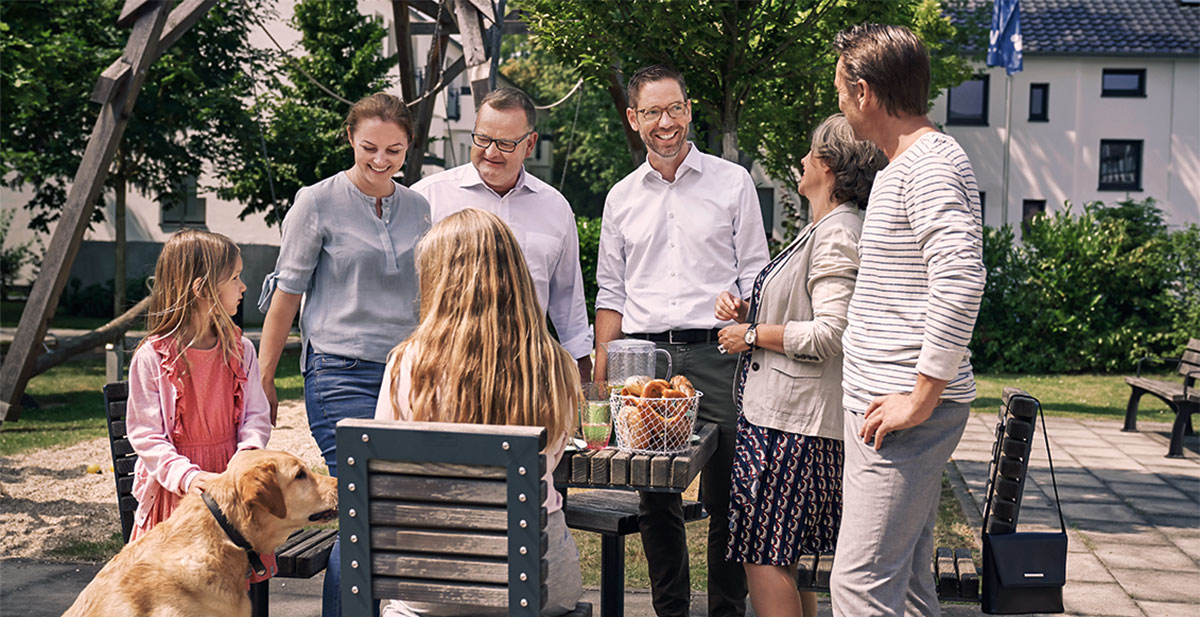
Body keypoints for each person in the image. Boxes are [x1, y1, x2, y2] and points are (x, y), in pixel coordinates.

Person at [594, 64, 769, 617]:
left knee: (725, 497)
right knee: (657, 496)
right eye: (651, 112)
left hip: (720, 354)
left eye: (674, 109)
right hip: (645, 357)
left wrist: (740, 307)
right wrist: (603, 368)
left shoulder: (732, 181)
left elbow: (757, 274)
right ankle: (670, 610)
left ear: (689, 110)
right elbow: (610, 291)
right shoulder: (620, 198)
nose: (665, 122)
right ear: (634, 118)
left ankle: (725, 612)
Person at [827, 24, 986, 617]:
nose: (838, 105)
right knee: (911, 586)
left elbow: (961, 278)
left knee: (859, 586)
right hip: (888, 406)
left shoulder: (929, 167)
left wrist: (920, 399)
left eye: (840, 92)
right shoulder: (907, 164)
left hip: (900, 415)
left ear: (865, 92)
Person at [257, 92, 431, 617]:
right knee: (362, 506)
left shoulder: (419, 207)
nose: (381, 161)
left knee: (391, 510)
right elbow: (287, 294)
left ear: (408, 149)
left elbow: (428, 296)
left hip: (405, 377)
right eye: (369, 148)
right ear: (350, 139)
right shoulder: (316, 201)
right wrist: (265, 376)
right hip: (339, 374)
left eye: (394, 151)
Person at [714, 113, 886, 617]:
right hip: (789, 424)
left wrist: (752, 335)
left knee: (764, 558)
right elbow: (809, 313)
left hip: (792, 429)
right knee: (792, 560)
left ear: (829, 167)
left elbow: (832, 333)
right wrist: (754, 312)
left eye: (811, 153)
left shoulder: (837, 233)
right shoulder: (824, 227)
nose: (802, 161)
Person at [375, 208, 584, 616]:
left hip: (431, 582)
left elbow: (387, 471)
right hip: (538, 580)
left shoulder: (407, 364)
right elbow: (554, 456)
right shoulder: (556, 364)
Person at [411, 87, 593, 379]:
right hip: (444, 369)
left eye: (506, 143)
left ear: (530, 144)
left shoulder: (555, 207)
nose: (491, 152)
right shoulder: (426, 199)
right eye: (482, 138)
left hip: (529, 372)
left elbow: (568, 301)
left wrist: (583, 378)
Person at [126, 229, 273, 577]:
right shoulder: (152, 358)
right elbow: (147, 436)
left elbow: (256, 416)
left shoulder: (242, 350)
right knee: (176, 593)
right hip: (176, 496)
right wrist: (189, 477)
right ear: (202, 289)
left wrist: (246, 456)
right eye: (235, 277)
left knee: (229, 589)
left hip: (231, 485)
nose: (243, 287)